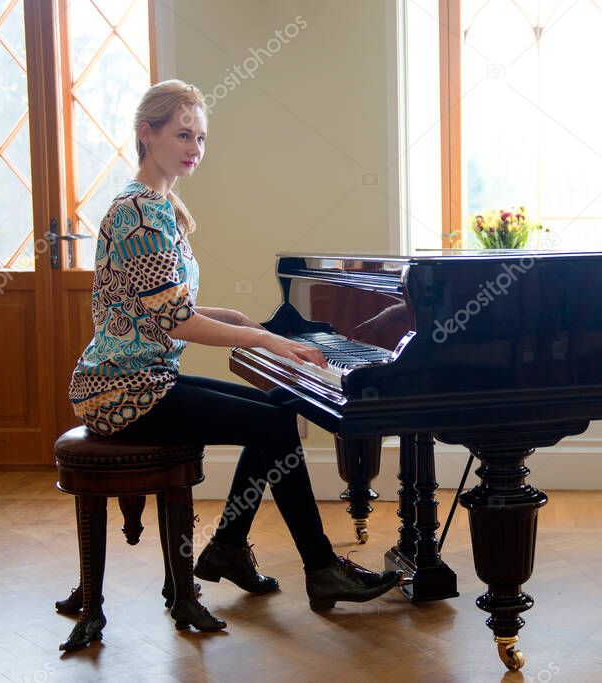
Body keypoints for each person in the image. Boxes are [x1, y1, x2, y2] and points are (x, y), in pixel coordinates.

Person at [67, 79, 399, 641]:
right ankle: (316, 568)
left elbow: (167, 303)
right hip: (121, 390)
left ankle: (229, 548)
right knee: (274, 419)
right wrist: (265, 341)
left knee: (276, 408)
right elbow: (176, 322)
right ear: (147, 134)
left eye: (200, 136)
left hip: (148, 378)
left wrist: (237, 318)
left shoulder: (159, 206)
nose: (194, 146)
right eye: (181, 134)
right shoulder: (139, 214)